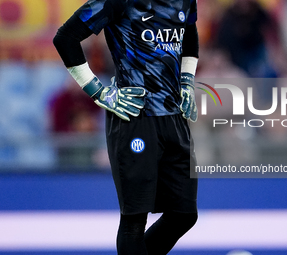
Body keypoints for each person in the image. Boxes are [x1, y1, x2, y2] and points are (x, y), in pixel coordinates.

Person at [53, 0, 199, 254]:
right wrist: (98, 92)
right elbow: (65, 37)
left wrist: (186, 80)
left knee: (184, 214)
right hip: (134, 116)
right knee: (135, 220)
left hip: (174, 114)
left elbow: (189, 31)